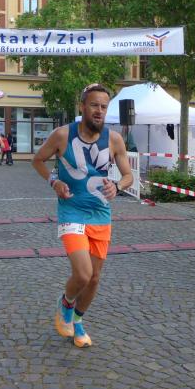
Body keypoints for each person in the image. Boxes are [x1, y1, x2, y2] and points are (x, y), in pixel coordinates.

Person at [32, 83, 133, 348]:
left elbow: (128, 175)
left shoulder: (114, 139)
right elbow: (38, 160)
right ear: (82, 107)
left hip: (100, 214)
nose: (99, 111)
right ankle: (66, 304)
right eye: (94, 105)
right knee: (83, 274)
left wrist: (118, 186)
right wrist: (54, 181)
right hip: (72, 211)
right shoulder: (62, 135)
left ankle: (77, 321)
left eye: (104, 107)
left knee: (94, 278)